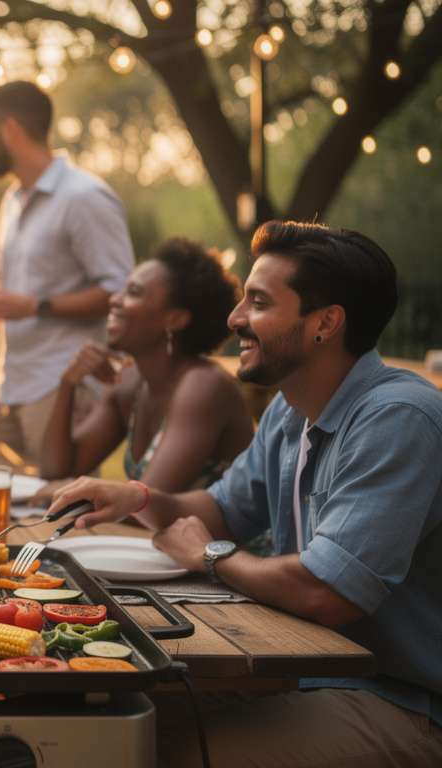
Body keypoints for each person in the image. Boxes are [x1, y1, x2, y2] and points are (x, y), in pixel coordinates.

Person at [47, 220, 442, 767]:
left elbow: (328, 591)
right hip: (303, 668)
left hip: (403, 698)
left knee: (200, 749)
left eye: (257, 303)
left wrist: (212, 556)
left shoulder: (397, 419)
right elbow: (222, 509)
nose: (235, 320)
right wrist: (137, 496)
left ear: (325, 323)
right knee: (117, 702)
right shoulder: (289, 408)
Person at [0, 80, 134, 465]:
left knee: (55, 513)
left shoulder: (86, 198)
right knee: (1, 510)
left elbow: (121, 291)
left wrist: (33, 304)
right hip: (10, 386)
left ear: (10, 130)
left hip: (60, 387)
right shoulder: (13, 200)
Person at [34, 237, 253, 501]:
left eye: (133, 292)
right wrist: (68, 382)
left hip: (226, 543)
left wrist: (75, 490)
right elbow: (56, 472)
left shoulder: (205, 386)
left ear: (175, 318)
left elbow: (144, 502)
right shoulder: (129, 384)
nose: (114, 300)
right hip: (155, 541)